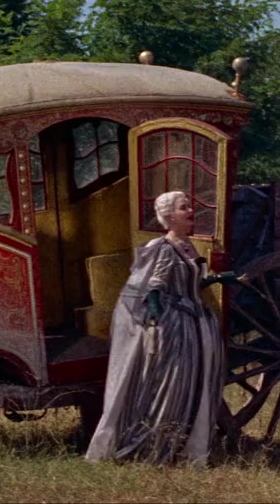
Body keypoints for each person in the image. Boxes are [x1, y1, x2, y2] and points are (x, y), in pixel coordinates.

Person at [85, 190, 236, 467]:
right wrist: (155, 314)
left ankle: (185, 447)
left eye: (189, 206)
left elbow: (193, 283)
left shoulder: (188, 246)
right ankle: (155, 446)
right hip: (176, 326)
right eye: (183, 207)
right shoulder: (163, 247)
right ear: (169, 216)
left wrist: (218, 279)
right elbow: (154, 285)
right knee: (172, 385)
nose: (190, 211)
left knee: (193, 383)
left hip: (195, 323)